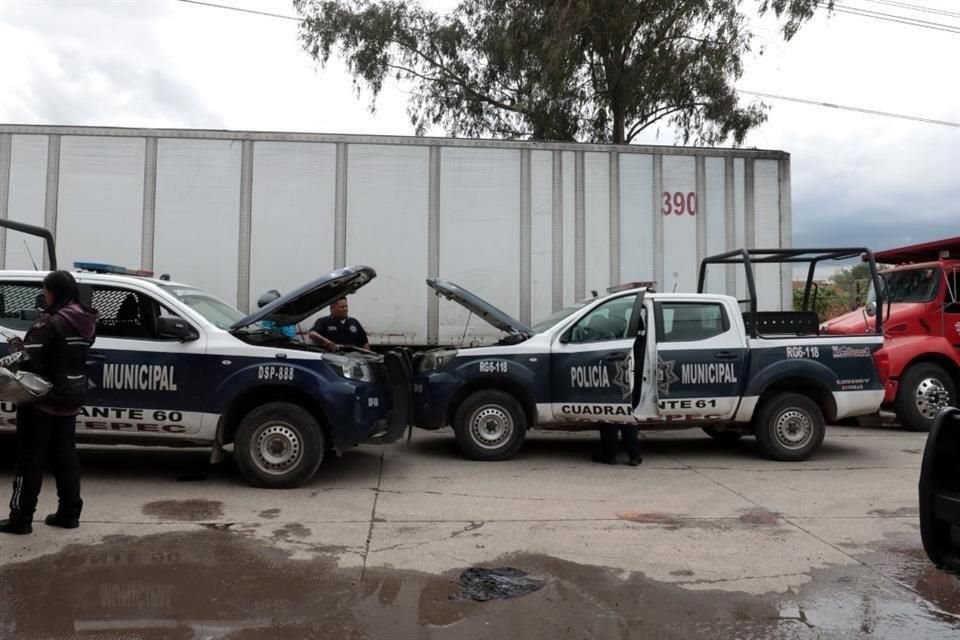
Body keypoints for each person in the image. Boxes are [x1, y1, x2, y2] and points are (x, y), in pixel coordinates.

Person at [0, 271, 98, 535]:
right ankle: (69, 514)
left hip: (41, 399)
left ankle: (21, 518)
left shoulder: (50, 323)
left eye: (45, 291)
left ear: (55, 292)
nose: (43, 296)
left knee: (29, 460)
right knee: (65, 457)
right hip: (70, 396)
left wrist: (17, 346)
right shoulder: (86, 319)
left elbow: (28, 359)